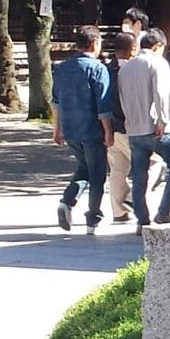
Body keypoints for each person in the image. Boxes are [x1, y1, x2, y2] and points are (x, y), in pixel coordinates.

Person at [117, 26, 170, 226]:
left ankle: (141, 219)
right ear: (158, 45)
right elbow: (161, 94)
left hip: (134, 128)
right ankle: (163, 211)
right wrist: (163, 121)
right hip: (156, 127)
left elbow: (122, 99)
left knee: (139, 175)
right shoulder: (157, 63)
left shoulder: (126, 68)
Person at [51, 26, 113, 234]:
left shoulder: (61, 69)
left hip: (70, 127)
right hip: (92, 129)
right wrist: (108, 131)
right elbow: (103, 105)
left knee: (84, 168)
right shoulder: (97, 68)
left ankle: (67, 201)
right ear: (95, 44)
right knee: (97, 174)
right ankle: (92, 218)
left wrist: (56, 129)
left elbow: (56, 101)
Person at [102, 30, 137, 223]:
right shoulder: (132, 71)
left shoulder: (105, 70)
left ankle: (118, 211)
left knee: (117, 170)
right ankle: (132, 198)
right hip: (128, 126)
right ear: (132, 49)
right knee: (154, 162)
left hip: (108, 126)